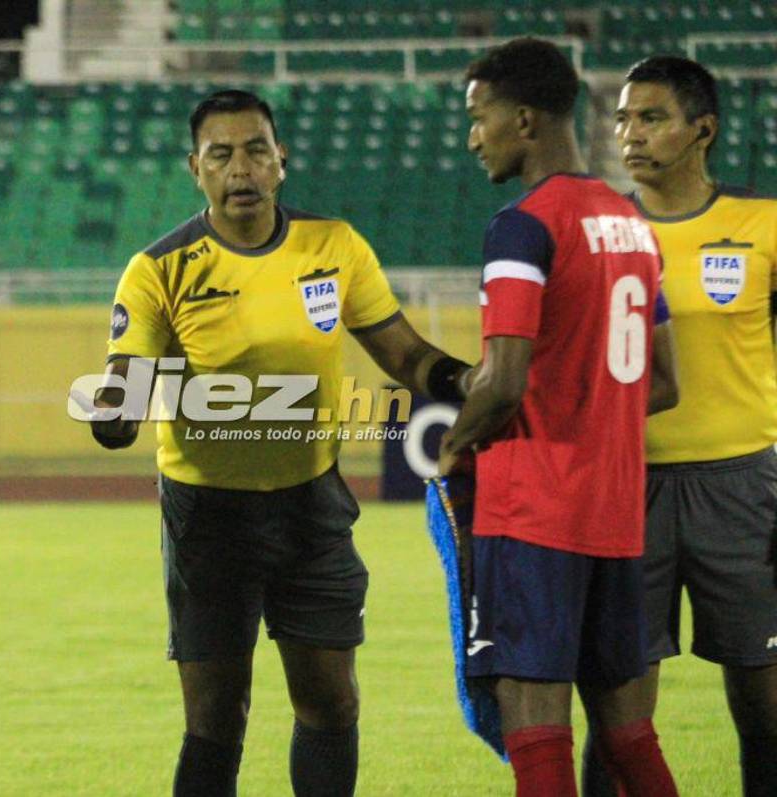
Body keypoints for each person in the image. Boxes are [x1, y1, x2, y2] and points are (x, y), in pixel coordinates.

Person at [86, 88, 474, 797]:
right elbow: (126, 374)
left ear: (281, 161)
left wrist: (463, 378)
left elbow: (400, 350)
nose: (242, 168)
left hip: (311, 506)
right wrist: (115, 407)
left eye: (256, 150)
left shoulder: (334, 246)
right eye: (222, 154)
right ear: (194, 168)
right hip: (207, 514)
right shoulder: (158, 269)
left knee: (332, 699)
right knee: (215, 716)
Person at [436, 38, 680, 796]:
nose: (474, 135)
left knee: (535, 721)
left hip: (534, 510)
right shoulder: (631, 225)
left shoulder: (523, 226)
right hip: (614, 513)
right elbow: (664, 382)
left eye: (481, 117)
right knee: (629, 731)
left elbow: (504, 382)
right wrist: (587, 398)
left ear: (527, 119)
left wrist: (451, 444)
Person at [581, 55, 777, 797]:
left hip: (743, 488)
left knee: (763, 707)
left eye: (652, 117)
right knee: (618, 713)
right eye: (625, 117)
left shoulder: (763, 225)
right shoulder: (596, 230)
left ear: (704, 130)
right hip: (626, 491)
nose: (630, 133)